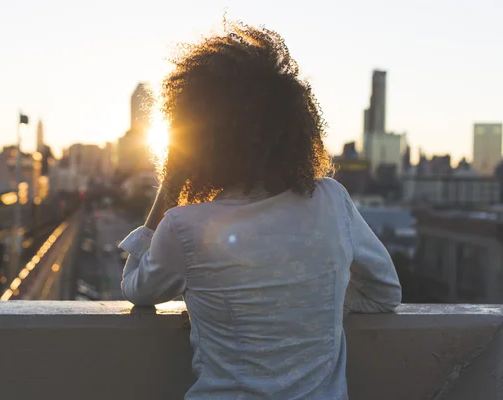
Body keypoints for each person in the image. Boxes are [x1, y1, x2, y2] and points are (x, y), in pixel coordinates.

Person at [118, 21, 401, 400]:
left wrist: (171, 185)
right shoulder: (333, 202)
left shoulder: (185, 226)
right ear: (296, 128)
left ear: (200, 143)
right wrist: (311, 306)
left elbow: (136, 288)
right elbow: (385, 294)